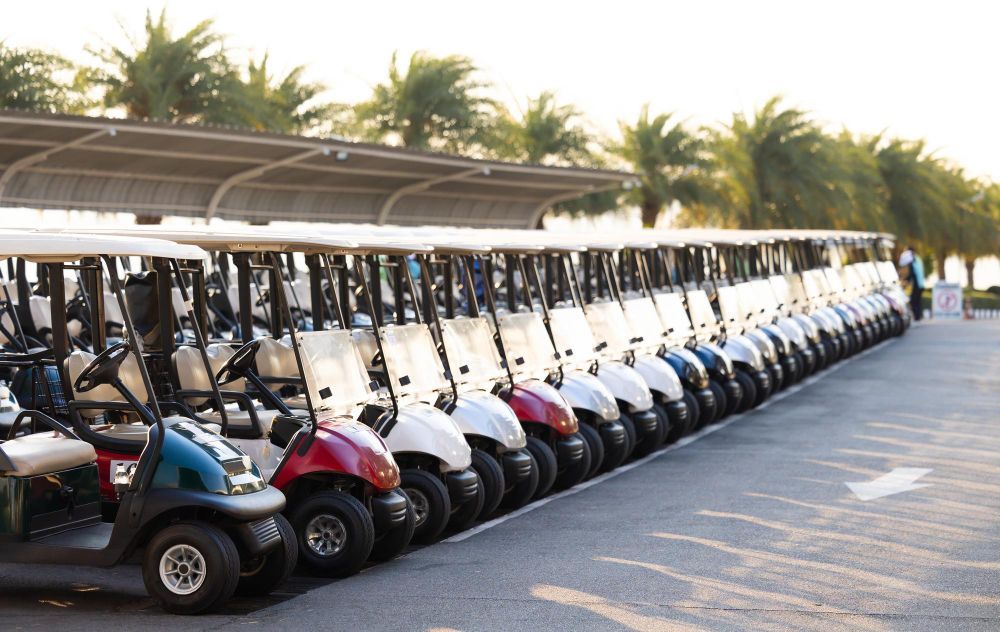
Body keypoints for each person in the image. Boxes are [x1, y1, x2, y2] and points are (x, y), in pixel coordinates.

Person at [898, 246, 925, 321]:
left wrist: (906, 281)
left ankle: (917, 317)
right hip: (921, 284)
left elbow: (912, 273)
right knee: (917, 301)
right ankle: (919, 316)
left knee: (914, 301)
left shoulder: (912, 260)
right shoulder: (918, 258)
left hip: (917, 284)